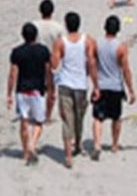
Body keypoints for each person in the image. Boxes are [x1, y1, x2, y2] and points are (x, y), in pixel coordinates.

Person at [51, 11, 96, 168]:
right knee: (79, 117)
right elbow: (91, 62)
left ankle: (68, 155)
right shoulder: (88, 40)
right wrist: (96, 84)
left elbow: (55, 65)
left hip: (65, 84)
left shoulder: (60, 42)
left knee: (66, 120)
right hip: (81, 84)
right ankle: (78, 144)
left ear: (66, 25)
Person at [90, 15, 136, 159]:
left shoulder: (97, 44)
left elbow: (92, 64)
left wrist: (94, 84)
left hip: (101, 85)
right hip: (115, 86)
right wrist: (131, 90)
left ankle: (97, 144)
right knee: (116, 118)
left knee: (98, 118)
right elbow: (126, 70)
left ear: (105, 27)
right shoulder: (121, 47)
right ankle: (115, 144)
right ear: (118, 30)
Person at [7, 24, 52, 166]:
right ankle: (32, 145)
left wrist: (9, 94)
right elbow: (48, 71)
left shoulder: (17, 52)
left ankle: (25, 152)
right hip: (37, 90)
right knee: (38, 122)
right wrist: (51, 87)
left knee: (24, 121)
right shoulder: (43, 51)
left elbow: (13, 75)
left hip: (22, 90)